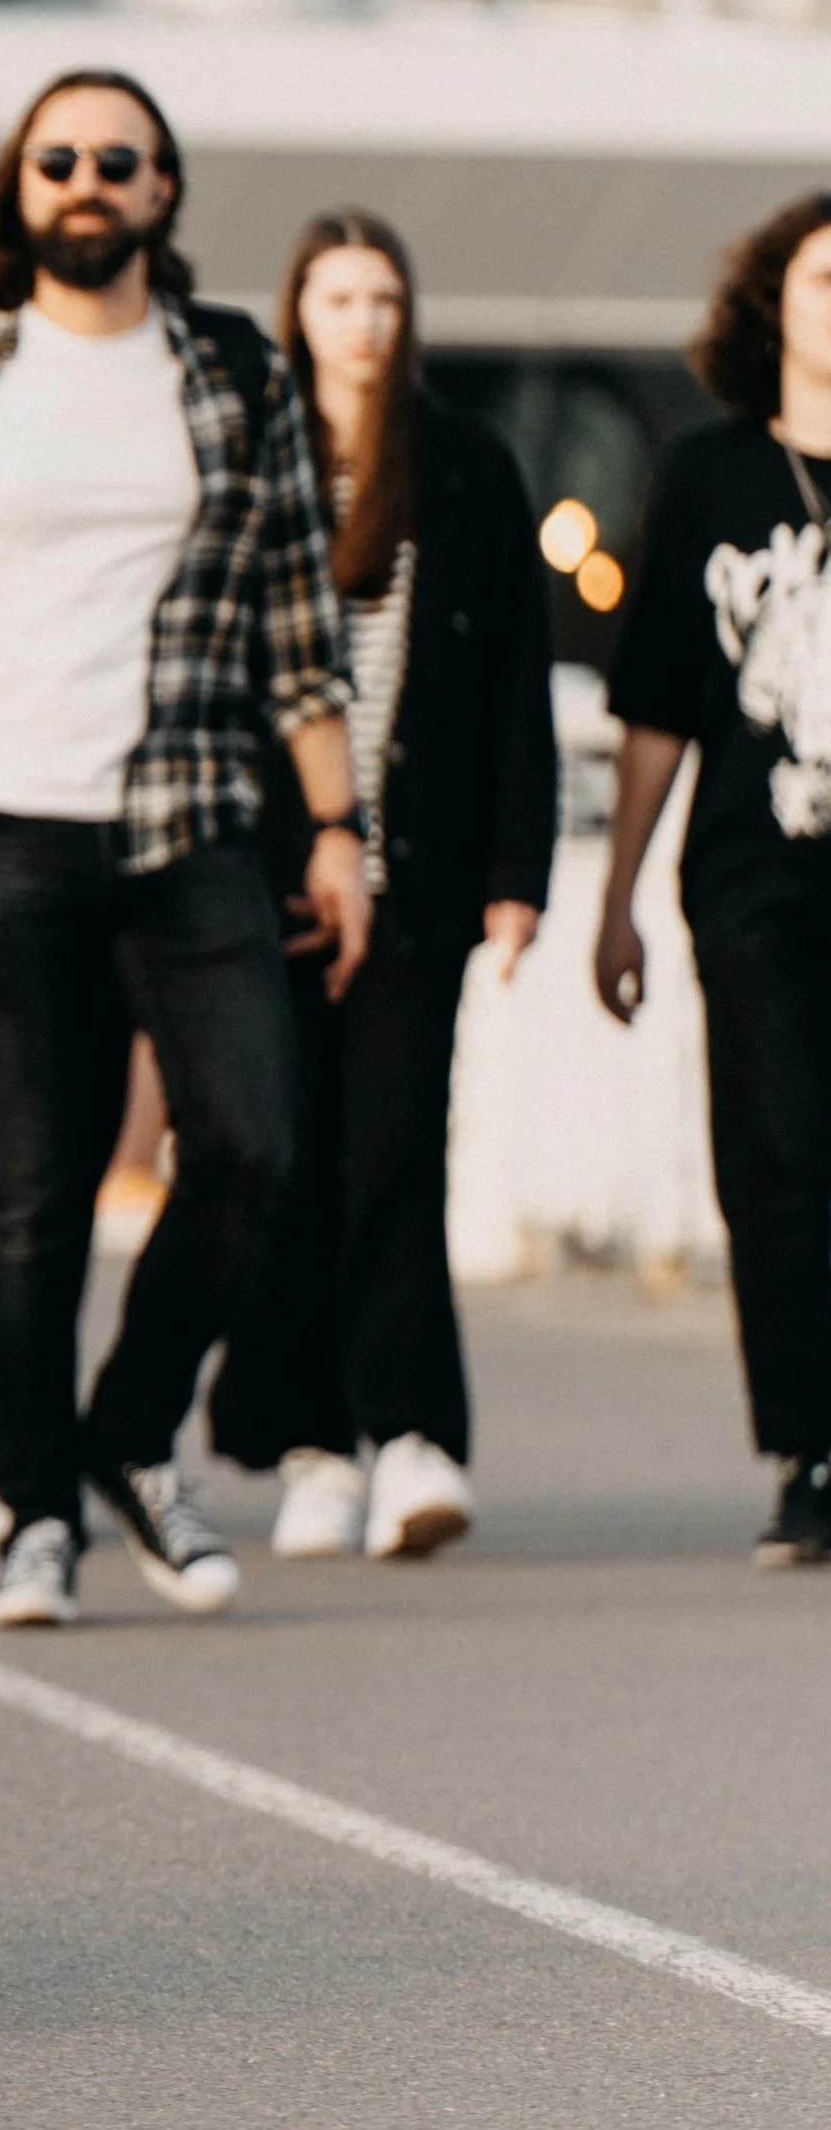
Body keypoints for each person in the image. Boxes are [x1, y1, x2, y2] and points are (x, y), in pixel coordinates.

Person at [0, 68, 364, 1631]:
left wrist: (337, 826)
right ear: (21, 185)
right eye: (57, 157)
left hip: (195, 820)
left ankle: (130, 1433)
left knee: (250, 1143)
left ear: (162, 193)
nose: (86, 179)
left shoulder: (231, 371)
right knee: (28, 1190)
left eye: (117, 160)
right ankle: (38, 1513)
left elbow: (294, 623)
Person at [210, 214, 555, 1558]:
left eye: (384, 297)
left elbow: (518, 684)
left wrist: (518, 875)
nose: (363, 320)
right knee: (287, 1163)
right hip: (269, 880)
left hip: (420, 881)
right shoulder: (251, 468)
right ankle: (312, 1449)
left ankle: (413, 1434)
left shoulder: (468, 471)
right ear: (299, 311)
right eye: (339, 295)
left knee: (400, 1150)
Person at [598, 192, 831, 1565]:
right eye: (823, 278)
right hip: (755, 879)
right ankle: (809, 1447)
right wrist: (617, 891)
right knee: (781, 1154)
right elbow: (657, 704)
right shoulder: (707, 476)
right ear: (772, 306)